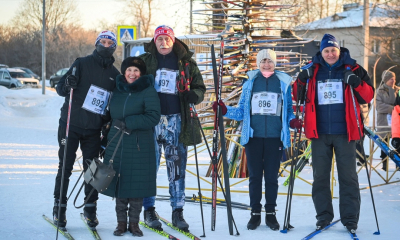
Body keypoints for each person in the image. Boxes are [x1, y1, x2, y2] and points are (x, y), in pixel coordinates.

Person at [293, 34, 374, 233]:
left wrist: (355, 82)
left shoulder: (353, 68)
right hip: (319, 133)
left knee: (348, 177)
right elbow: (296, 95)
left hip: (345, 133)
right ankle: (323, 217)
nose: (330, 54)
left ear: (339, 51)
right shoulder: (312, 70)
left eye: (333, 50)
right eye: (326, 51)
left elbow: (368, 96)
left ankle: (350, 219)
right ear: (321, 52)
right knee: (320, 177)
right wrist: (301, 80)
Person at [213, 49, 296, 230]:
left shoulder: (283, 83)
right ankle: (255, 213)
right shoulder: (250, 83)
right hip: (253, 138)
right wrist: (225, 110)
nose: (266, 64)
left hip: (275, 138)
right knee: (255, 177)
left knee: (272, 178)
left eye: (270, 61)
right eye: (263, 61)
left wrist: (293, 121)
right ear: (258, 64)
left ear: (275, 63)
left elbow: (288, 111)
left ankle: (271, 214)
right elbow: (242, 111)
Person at [139, 25, 206, 231]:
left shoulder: (185, 62)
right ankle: (149, 209)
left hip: (176, 120)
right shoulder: (145, 61)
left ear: (173, 40)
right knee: (149, 166)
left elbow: (199, 87)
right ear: (155, 41)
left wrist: (194, 95)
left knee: (176, 167)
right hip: (151, 120)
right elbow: (130, 80)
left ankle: (178, 211)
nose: (163, 42)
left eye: (167, 38)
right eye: (159, 39)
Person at [54, 30, 120, 229]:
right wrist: (67, 84)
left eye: (110, 42)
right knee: (65, 166)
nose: (106, 45)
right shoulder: (81, 63)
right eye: (103, 41)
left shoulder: (115, 75)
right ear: (96, 43)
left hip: (93, 129)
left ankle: (90, 209)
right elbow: (59, 88)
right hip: (70, 125)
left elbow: (112, 105)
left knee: (92, 171)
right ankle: (59, 208)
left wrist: (107, 126)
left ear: (114, 46)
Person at [101, 57, 161, 237]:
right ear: (124, 72)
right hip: (117, 142)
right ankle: (120, 224)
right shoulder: (117, 90)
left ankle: (134, 224)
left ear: (141, 73)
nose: (132, 74)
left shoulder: (148, 91)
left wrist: (130, 122)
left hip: (139, 144)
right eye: (129, 70)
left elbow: (153, 117)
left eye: (136, 70)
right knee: (119, 183)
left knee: (136, 185)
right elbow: (109, 114)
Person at [376, 70, 397, 171]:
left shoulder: (397, 90)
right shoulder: (380, 91)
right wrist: (393, 108)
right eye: (390, 79)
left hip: (396, 122)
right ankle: (385, 165)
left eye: (394, 79)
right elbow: (379, 106)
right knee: (384, 144)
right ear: (385, 80)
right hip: (384, 122)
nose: (393, 81)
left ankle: (398, 164)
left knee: (398, 143)